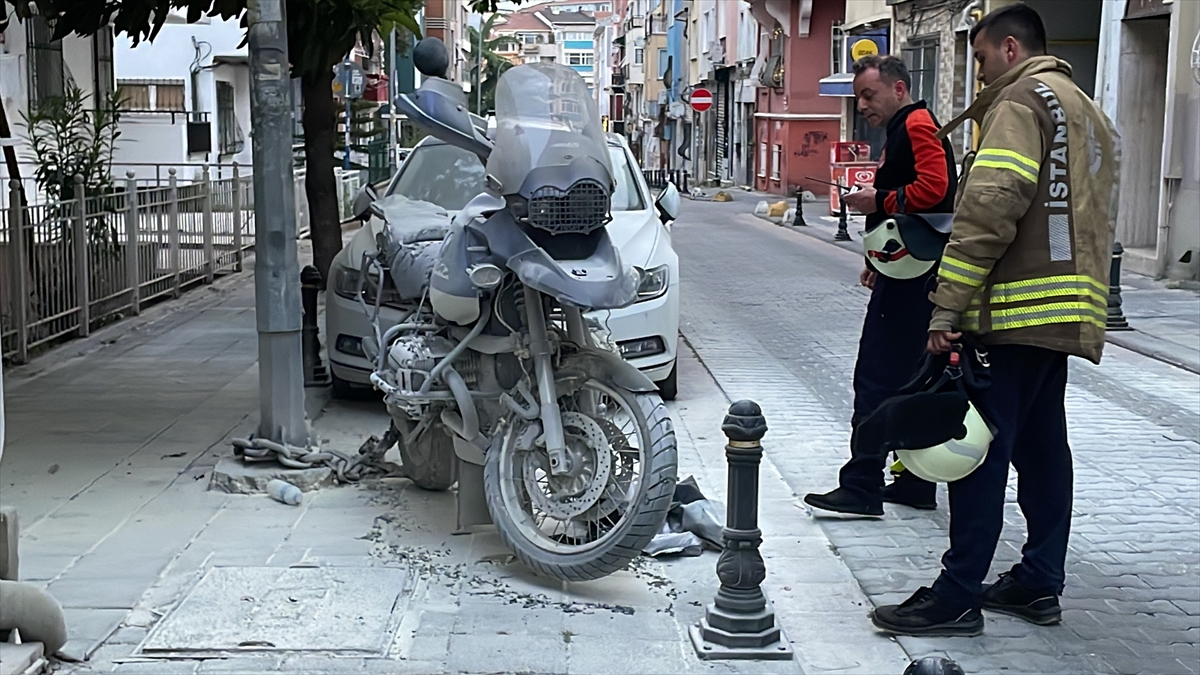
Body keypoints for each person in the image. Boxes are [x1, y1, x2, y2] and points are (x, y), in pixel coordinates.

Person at [870, 3, 1119, 637]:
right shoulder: (1083, 107)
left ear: (1009, 49)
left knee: (977, 450)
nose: (977, 74)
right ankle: (1039, 581)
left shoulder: (1020, 103)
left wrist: (946, 303)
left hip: (1010, 310)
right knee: (1042, 449)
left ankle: (956, 595)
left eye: (979, 58)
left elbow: (989, 209)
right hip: (1063, 311)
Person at [804, 55, 956, 517]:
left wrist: (878, 198)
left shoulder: (915, 125)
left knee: (874, 376)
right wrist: (880, 257)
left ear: (899, 89)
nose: (863, 105)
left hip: (914, 280)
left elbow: (935, 189)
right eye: (858, 97)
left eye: (869, 95)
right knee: (911, 378)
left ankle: (863, 484)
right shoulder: (906, 126)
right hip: (910, 269)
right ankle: (914, 482)